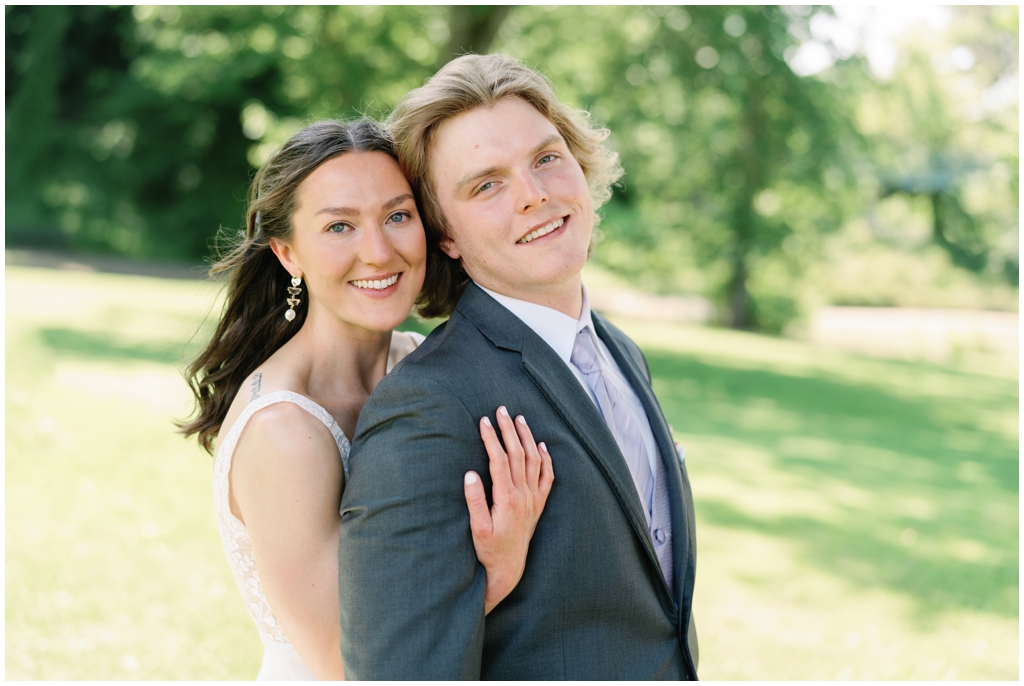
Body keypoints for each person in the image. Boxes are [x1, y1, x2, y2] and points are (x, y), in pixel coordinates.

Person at [338, 53, 699, 680]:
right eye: (488, 184)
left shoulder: (620, 351)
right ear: (445, 235)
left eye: (547, 158)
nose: (535, 195)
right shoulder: (429, 407)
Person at [179, 119, 554, 680]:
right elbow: (348, 664)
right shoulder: (284, 431)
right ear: (288, 253)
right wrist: (496, 572)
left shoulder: (423, 365)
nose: (378, 252)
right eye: (339, 227)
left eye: (398, 216)